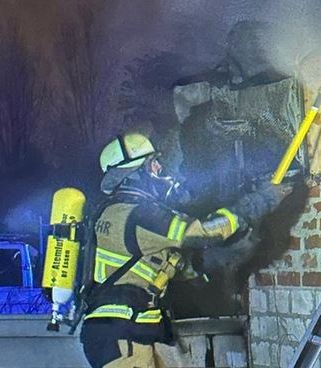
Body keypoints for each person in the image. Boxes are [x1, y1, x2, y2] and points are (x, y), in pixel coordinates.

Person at [80, 132, 292, 368]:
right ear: (134, 174)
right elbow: (201, 233)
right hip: (123, 335)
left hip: (127, 331)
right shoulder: (138, 214)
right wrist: (258, 202)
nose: (160, 168)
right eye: (153, 164)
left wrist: (226, 256)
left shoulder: (116, 212)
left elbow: (175, 268)